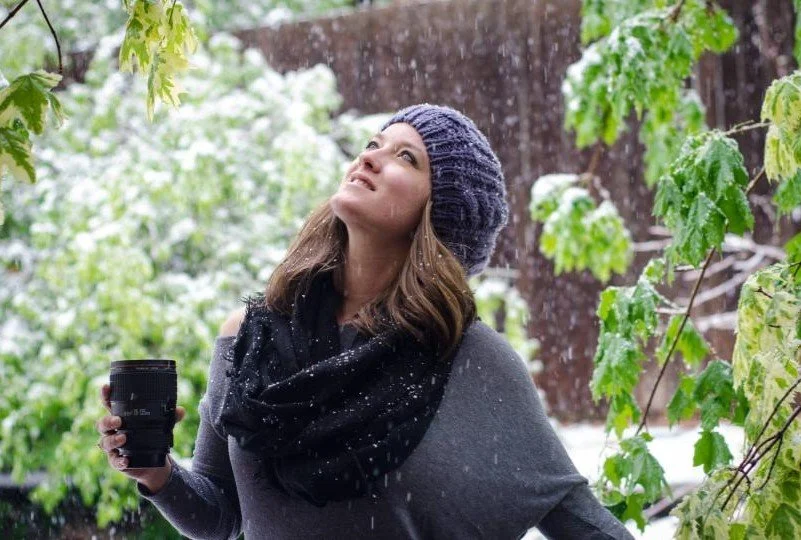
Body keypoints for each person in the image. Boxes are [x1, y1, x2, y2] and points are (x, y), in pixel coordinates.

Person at [97, 104, 633, 539]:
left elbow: (579, 522)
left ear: (439, 214)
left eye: (406, 157)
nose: (370, 158)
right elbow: (220, 517)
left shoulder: (467, 356)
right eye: (373, 144)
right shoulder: (251, 335)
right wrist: (156, 473)